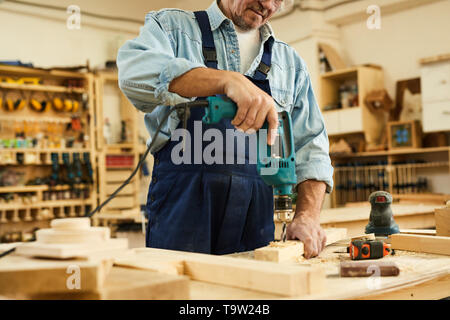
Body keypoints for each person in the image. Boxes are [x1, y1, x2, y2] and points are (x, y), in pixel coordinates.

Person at [117, 0, 334, 258]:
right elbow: (132, 74)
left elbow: (313, 149)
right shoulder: (173, 29)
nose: (267, 4)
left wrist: (307, 216)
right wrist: (225, 81)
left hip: (254, 228)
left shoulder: (290, 66)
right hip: (181, 221)